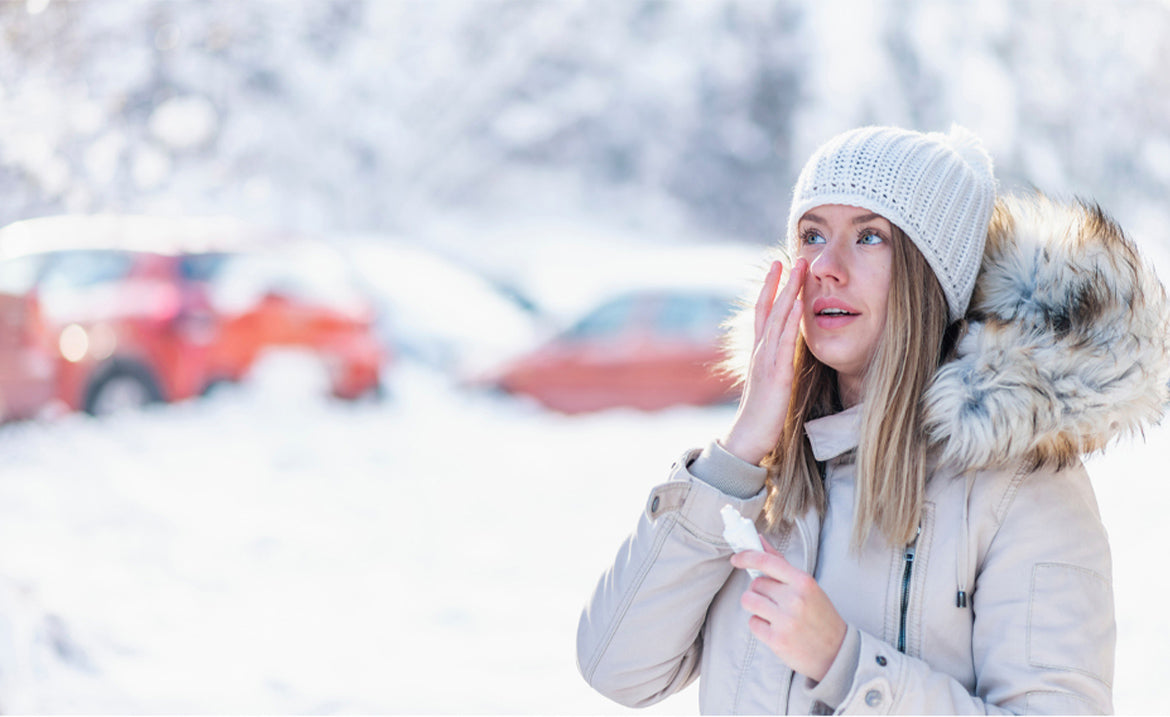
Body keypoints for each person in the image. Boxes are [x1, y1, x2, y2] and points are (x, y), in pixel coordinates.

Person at [576, 125, 1170, 714]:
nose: (827, 267)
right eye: (812, 234)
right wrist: (738, 452)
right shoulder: (759, 479)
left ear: (928, 277)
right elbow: (618, 670)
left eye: (869, 237)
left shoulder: (1022, 487)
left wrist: (845, 665)